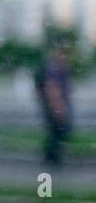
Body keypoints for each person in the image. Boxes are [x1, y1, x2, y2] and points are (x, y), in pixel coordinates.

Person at [36, 33, 75, 166]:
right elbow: (51, 88)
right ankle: (52, 159)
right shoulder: (53, 66)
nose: (66, 56)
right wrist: (59, 108)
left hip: (55, 105)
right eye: (63, 52)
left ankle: (50, 157)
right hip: (55, 105)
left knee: (57, 132)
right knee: (60, 130)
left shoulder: (59, 65)